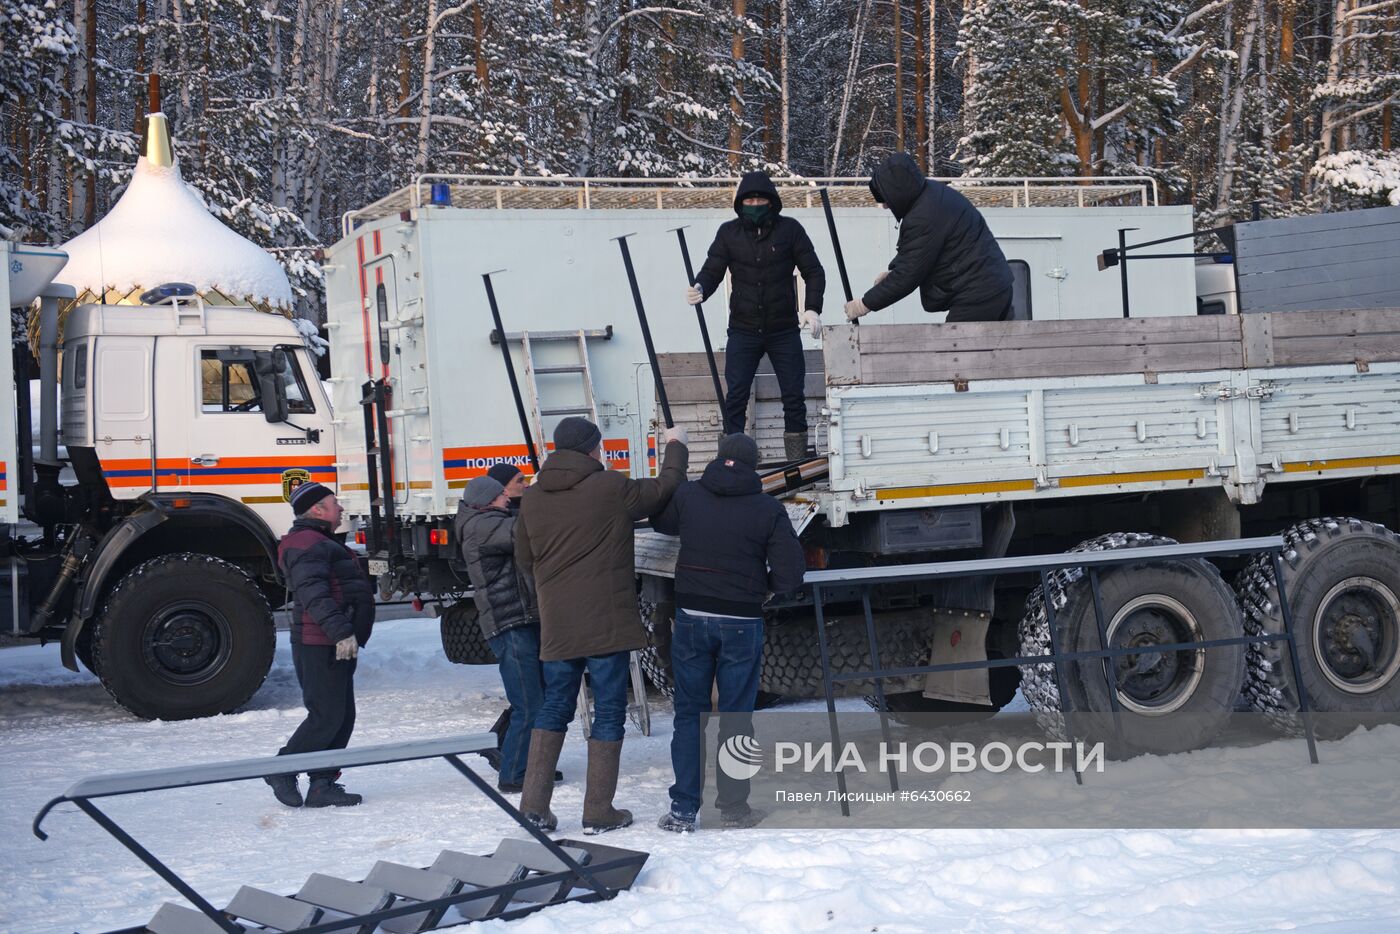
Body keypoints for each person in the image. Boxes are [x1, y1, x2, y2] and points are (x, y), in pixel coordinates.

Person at [514, 416, 689, 834]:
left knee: (554, 706)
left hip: (559, 622)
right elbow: (664, 488)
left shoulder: (534, 498)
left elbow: (524, 557)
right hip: (605, 622)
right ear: (594, 449)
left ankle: (534, 809)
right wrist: (676, 445)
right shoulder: (610, 487)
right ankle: (598, 811)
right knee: (608, 708)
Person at [651, 433, 805, 832]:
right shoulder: (767, 508)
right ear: (755, 465)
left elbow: (660, 521)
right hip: (741, 620)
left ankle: (684, 809)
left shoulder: (689, 495)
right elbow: (790, 573)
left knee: (690, 715)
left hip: (690, 615)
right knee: (737, 717)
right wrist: (764, 586)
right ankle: (734, 808)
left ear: (719, 458)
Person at [688, 171, 826, 463]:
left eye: (760, 198)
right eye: (749, 198)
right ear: (740, 202)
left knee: (793, 397)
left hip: (783, 330)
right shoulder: (729, 233)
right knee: (735, 397)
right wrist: (701, 286)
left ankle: (796, 463)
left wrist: (812, 308)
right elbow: (713, 269)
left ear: (771, 201)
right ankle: (731, 463)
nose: (754, 203)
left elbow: (814, 271)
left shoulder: (790, 230)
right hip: (743, 330)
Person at [266, 482, 374, 808]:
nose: (340, 508)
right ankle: (281, 769)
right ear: (317, 509)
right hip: (320, 643)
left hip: (336, 641)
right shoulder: (306, 544)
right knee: (325, 716)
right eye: (334, 503)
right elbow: (315, 595)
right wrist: (341, 632)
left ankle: (322, 784)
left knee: (342, 716)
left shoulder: (319, 541)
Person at [456, 474, 550, 793]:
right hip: (510, 624)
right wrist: (544, 496)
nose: (507, 498)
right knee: (528, 703)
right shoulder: (484, 526)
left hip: (518, 621)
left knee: (534, 699)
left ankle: (521, 762)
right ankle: (513, 773)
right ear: (486, 501)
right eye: (501, 496)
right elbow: (524, 532)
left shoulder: (485, 520)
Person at [844, 152, 1014, 325]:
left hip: (978, 294)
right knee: (994, 351)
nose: (885, 206)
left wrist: (864, 304)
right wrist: (893, 272)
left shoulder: (923, 215)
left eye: (886, 199)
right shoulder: (933, 195)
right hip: (995, 287)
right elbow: (921, 253)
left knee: (954, 349)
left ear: (897, 192)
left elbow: (908, 275)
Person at [481, 460, 529, 762]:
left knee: (531, 692)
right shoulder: (500, 523)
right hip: (513, 616)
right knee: (529, 696)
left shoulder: (510, 516)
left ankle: (500, 743)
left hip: (519, 612)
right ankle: (507, 753)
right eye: (520, 481)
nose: (525, 486)